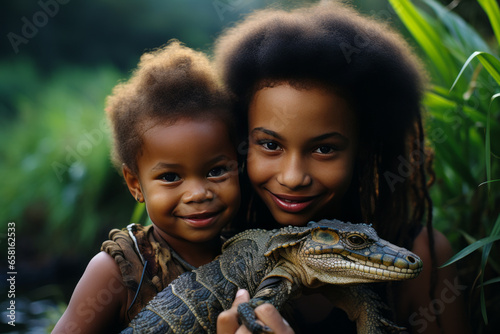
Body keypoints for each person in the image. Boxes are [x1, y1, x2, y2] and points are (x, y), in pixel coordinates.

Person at [213, 2, 470, 333]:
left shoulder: (422, 254)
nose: (292, 178)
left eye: (324, 149)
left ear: (362, 150)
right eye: (271, 145)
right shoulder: (213, 247)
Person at [53, 40, 241, 333]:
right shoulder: (118, 272)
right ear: (135, 184)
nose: (198, 194)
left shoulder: (246, 250)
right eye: (170, 177)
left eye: (216, 171)